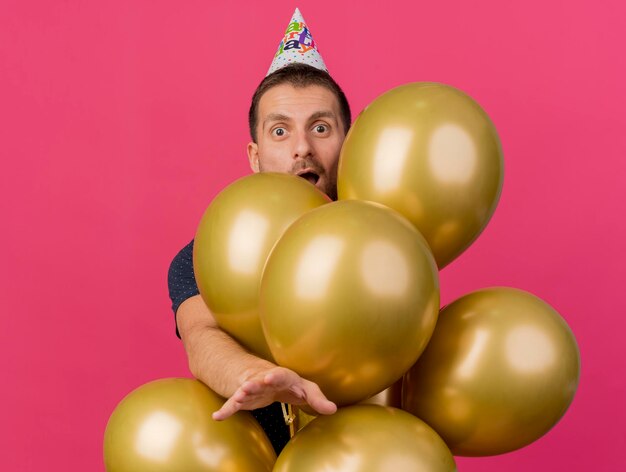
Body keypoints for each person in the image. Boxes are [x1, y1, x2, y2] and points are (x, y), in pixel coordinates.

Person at [168, 9, 352, 455]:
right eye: (280, 130)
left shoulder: (387, 247)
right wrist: (255, 377)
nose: (302, 147)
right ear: (255, 155)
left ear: (351, 141)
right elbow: (202, 337)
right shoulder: (207, 256)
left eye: (321, 128)